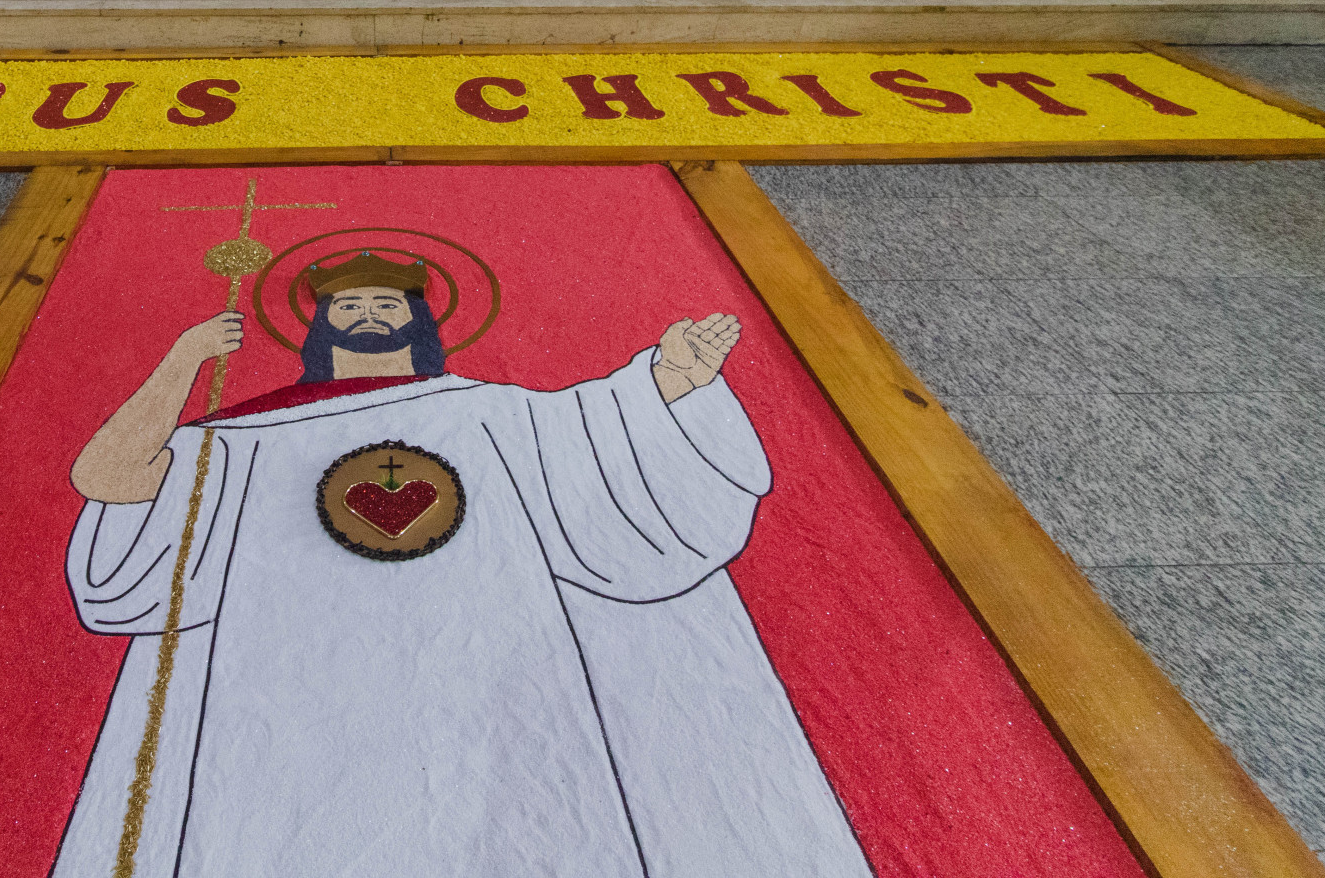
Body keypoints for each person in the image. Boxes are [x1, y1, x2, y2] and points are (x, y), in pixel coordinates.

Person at [54, 251, 871, 877]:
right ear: (320, 327)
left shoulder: (490, 412)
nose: (368, 316)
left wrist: (664, 382)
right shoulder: (244, 438)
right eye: (350, 306)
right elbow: (109, 476)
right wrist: (185, 358)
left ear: (418, 324)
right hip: (283, 693)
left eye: (385, 304)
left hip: (491, 682)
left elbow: (596, 444)